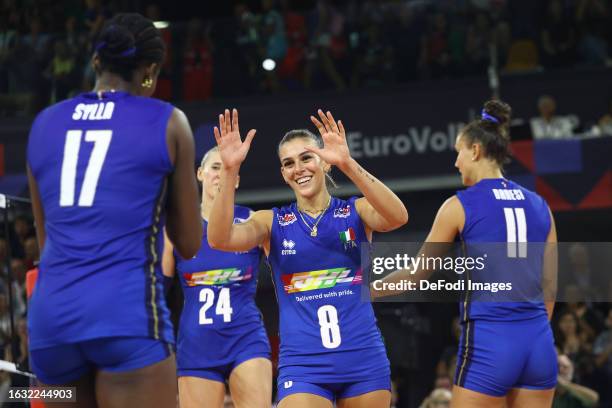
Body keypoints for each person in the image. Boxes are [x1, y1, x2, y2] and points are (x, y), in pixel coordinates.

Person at [26, 13, 201, 407]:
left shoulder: (43, 124)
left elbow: (46, 241)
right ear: (150, 72)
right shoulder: (169, 121)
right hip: (125, 318)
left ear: (95, 63)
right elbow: (189, 244)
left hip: (51, 322)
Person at [207, 108, 408, 408]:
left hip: (363, 358)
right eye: (288, 163)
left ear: (325, 163)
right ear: (283, 174)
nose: (298, 168)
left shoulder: (355, 211)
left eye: (306, 158)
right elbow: (220, 238)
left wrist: (348, 163)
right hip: (304, 366)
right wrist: (230, 170)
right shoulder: (271, 222)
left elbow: (398, 217)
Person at [374, 100, 558, 407]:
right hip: (538, 343)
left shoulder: (459, 205)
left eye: (458, 152)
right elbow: (551, 286)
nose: (456, 162)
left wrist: (364, 290)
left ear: (475, 150)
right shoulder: (540, 205)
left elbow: (416, 274)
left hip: (491, 343)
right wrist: (533, 333)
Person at [162, 146, 272, 408]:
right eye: (214, 167)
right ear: (199, 174)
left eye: (228, 169)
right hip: (196, 345)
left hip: (246, 339)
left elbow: (291, 269)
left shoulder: (252, 221)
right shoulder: (175, 228)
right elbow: (156, 292)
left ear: (237, 179)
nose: (220, 175)